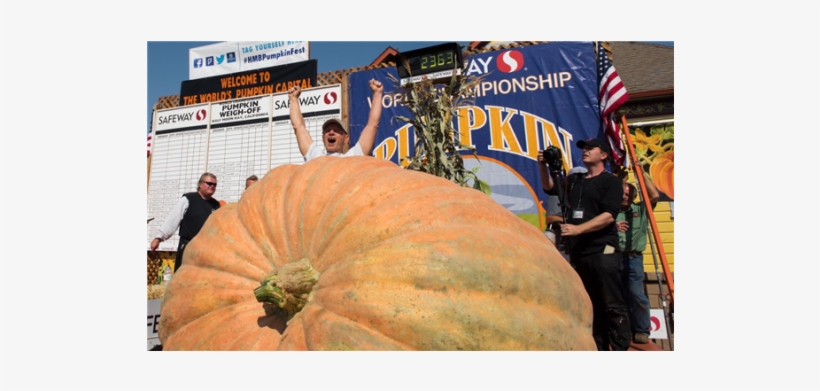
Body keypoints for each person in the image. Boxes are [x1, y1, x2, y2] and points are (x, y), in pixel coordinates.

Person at [542, 137, 630, 351]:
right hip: (579, 253)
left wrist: (578, 229)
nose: (586, 151)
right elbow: (550, 187)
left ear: (603, 155)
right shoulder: (576, 180)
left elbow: (609, 215)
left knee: (611, 304)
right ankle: (598, 348)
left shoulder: (610, 182)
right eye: (584, 149)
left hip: (603, 250)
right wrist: (542, 165)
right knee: (591, 306)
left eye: (591, 148)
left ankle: (620, 348)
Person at [288, 79, 384, 162]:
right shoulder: (315, 156)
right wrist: (293, 99)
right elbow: (298, 127)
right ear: (323, 138)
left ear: (346, 138)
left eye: (337, 130)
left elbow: (372, 125)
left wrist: (377, 94)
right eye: (327, 130)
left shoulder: (353, 157)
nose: (331, 132)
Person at [616, 178, 659, 344]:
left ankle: (641, 330)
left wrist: (641, 173)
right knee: (617, 296)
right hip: (614, 257)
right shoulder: (610, 212)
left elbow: (654, 195)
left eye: (629, 194)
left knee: (636, 293)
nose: (625, 196)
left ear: (634, 196)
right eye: (623, 193)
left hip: (634, 259)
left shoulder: (640, 209)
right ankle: (623, 330)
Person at [150, 173, 221, 272]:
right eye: (209, 183)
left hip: (206, 249)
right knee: (182, 277)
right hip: (187, 246)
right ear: (200, 184)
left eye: (214, 185)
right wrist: (159, 238)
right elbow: (173, 219)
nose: (212, 186)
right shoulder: (188, 199)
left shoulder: (216, 205)